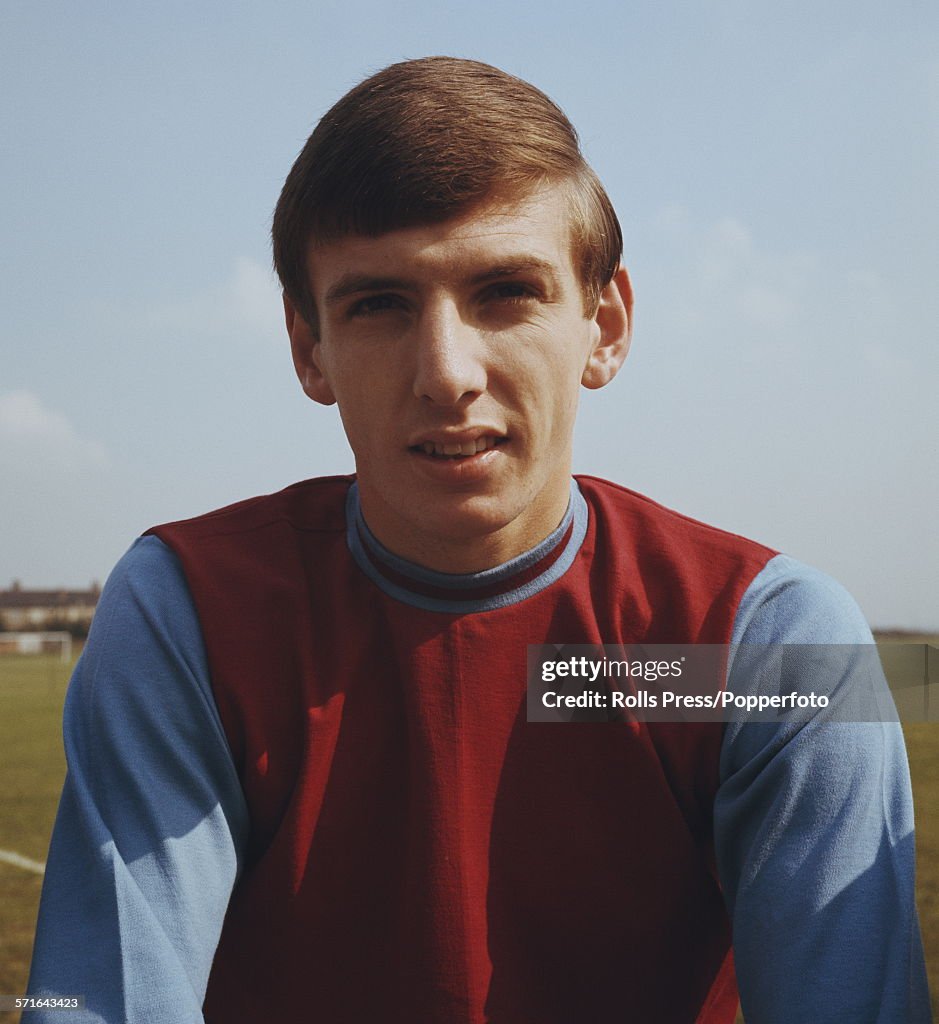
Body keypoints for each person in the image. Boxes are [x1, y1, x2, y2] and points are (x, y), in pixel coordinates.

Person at [28, 57, 930, 1023]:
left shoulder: (755, 647)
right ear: (307, 349)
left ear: (604, 325)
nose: (446, 371)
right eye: (378, 304)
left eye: (505, 291)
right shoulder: (190, 617)